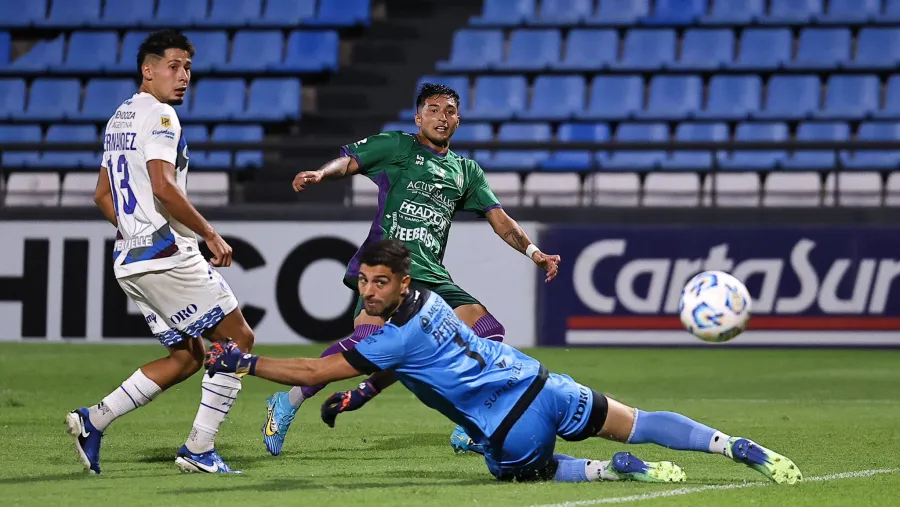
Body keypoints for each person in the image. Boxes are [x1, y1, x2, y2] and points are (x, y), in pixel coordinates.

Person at [212, 240, 802, 485]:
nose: (368, 292)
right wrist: (365, 392)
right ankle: (734, 445)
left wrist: (244, 362)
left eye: (379, 283)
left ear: (401, 283)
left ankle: (611, 471)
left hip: (512, 424)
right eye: (363, 281)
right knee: (639, 417)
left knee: (519, 472)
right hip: (543, 382)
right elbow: (412, 362)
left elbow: (314, 373)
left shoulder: (389, 339)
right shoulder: (432, 302)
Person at [262, 83, 561, 456]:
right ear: (419, 117)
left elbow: (499, 219)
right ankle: (287, 401)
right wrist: (322, 175)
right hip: (387, 266)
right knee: (363, 350)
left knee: (486, 331)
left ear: (458, 120)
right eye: (433, 110)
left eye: (450, 110)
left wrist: (535, 253)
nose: (442, 117)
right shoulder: (398, 147)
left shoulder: (466, 171)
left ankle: (468, 426)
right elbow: (350, 161)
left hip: (432, 275)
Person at [65, 30, 253, 475]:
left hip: (129, 259)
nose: (183, 75)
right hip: (165, 255)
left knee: (187, 357)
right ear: (147, 70)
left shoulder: (120, 117)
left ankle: (94, 420)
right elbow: (165, 187)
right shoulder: (163, 116)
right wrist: (209, 233)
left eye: (188, 67)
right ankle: (199, 449)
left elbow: (101, 195)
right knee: (238, 340)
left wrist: (133, 232)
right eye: (173, 66)